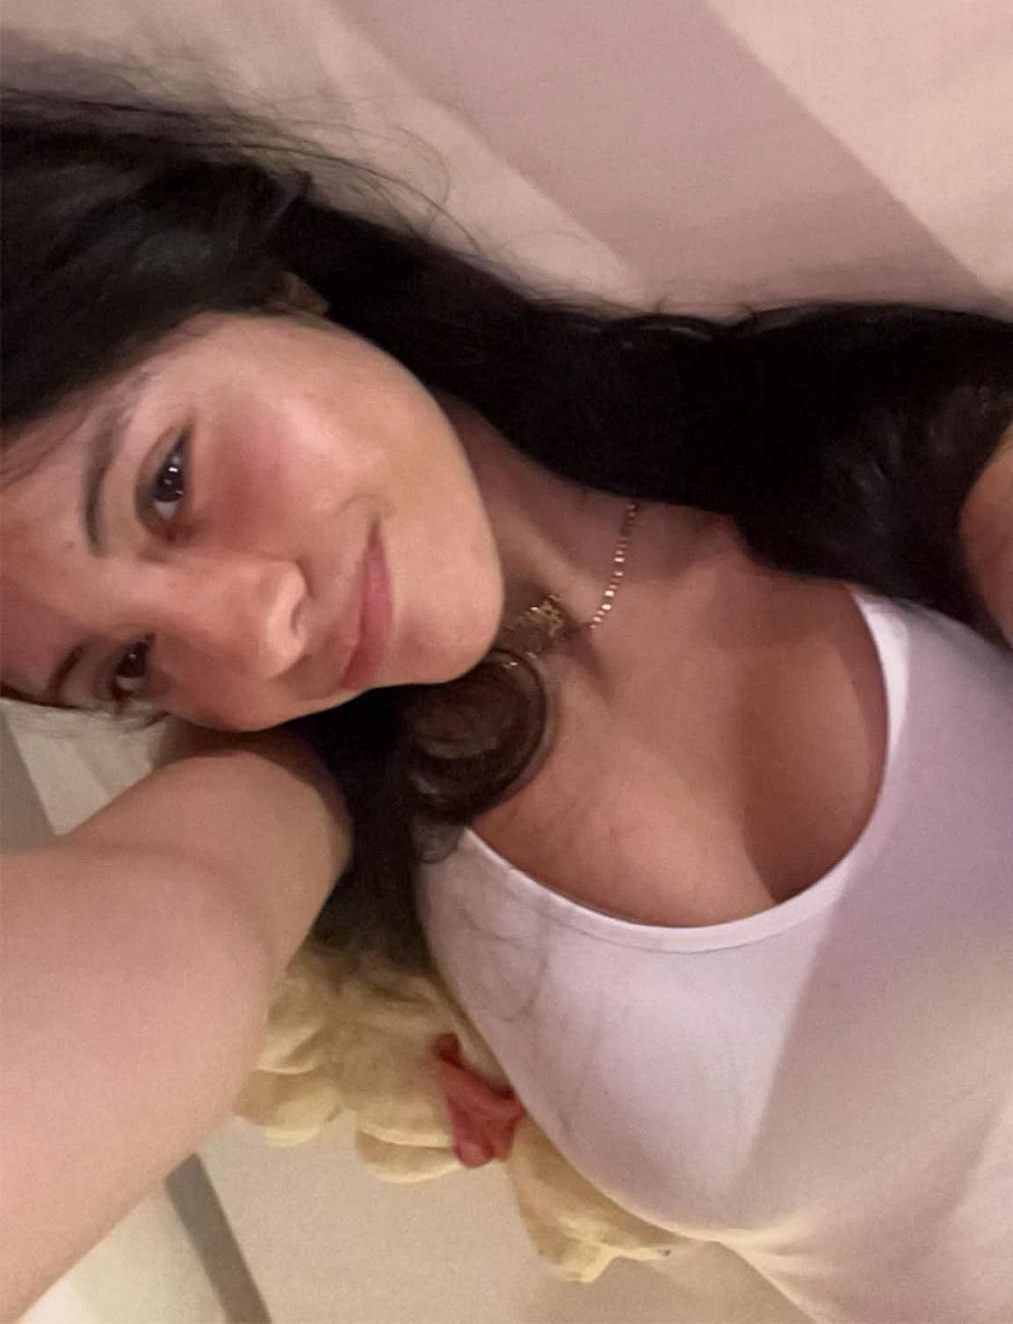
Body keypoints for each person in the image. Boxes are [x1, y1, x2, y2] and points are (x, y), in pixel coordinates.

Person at [1, 82, 1011, 1320]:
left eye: (168, 482)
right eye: (130, 664)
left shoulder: (886, 456)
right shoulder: (313, 800)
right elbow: (148, 925)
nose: (253, 635)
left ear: (267, 282)